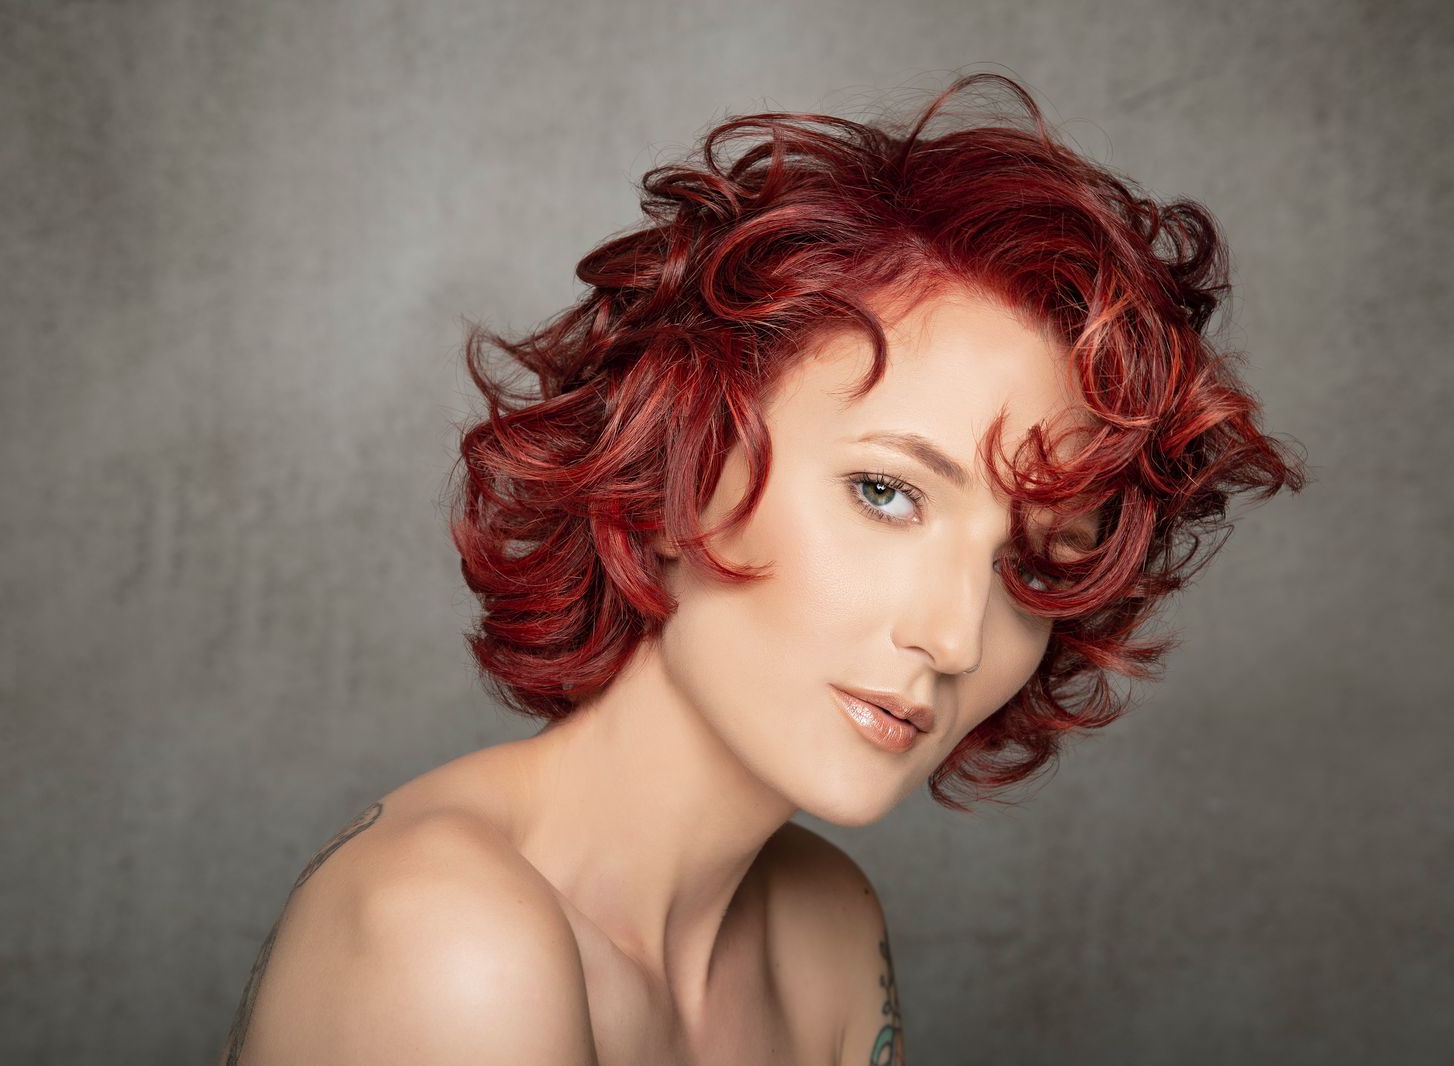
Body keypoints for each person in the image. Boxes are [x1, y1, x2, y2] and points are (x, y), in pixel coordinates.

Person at [218, 73, 1308, 1065]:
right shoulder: (452, 945)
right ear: (679, 464)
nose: (953, 637)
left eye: (1029, 562)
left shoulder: (825, 927)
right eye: (886, 492)